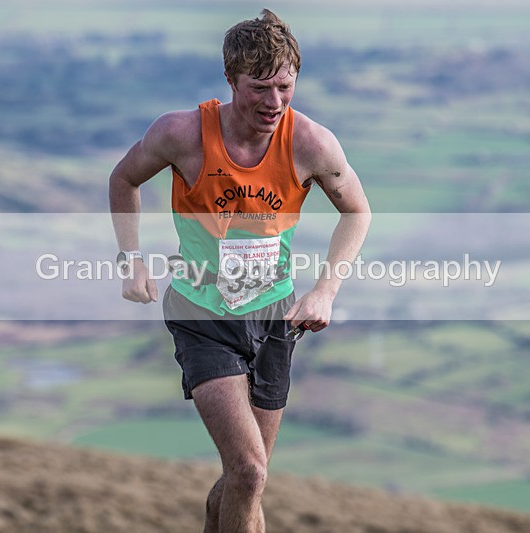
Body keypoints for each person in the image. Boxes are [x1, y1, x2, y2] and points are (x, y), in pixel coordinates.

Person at [109, 9, 370, 532]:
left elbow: (357, 211)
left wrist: (325, 291)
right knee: (249, 472)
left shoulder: (312, 143)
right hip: (201, 313)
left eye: (285, 87)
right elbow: (124, 179)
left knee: (245, 478)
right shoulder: (181, 133)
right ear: (230, 79)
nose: (274, 103)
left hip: (274, 319)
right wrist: (131, 258)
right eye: (260, 88)